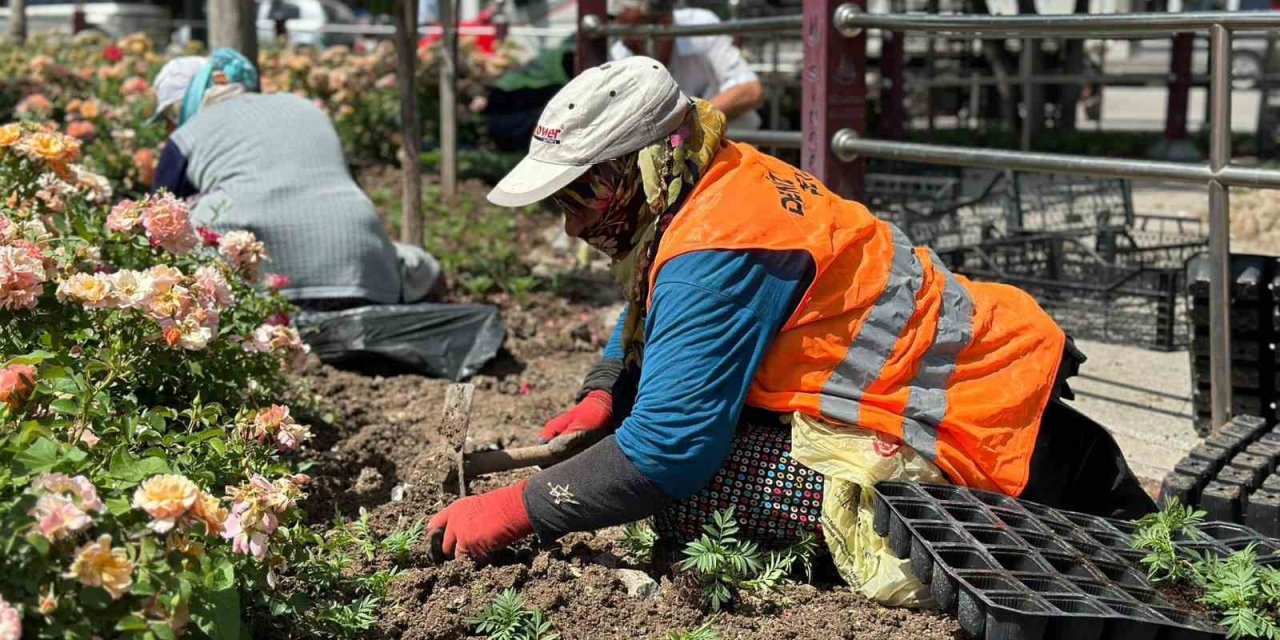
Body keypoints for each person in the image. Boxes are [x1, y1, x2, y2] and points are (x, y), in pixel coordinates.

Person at [426, 57, 1155, 565]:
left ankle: (971, 534)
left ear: (646, 166)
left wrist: (515, 509)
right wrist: (607, 386)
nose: (573, 226)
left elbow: (668, 450)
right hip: (1001, 374)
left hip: (979, 435)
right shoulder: (717, 175)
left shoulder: (717, 245)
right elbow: (659, 296)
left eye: (581, 196)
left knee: (696, 491)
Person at [149, 50, 439, 310]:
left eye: (168, 119)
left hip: (264, 298)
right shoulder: (305, 108)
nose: (168, 129)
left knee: (189, 222)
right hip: (368, 278)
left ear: (182, 107)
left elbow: (156, 222)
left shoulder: (187, 135)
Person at [608, 0, 764, 131]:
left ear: (664, 22)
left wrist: (683, 124)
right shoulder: (619, 53)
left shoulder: (700, 26)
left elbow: (750, 91)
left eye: (635, 37)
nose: (628, 44)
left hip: (734, 149)